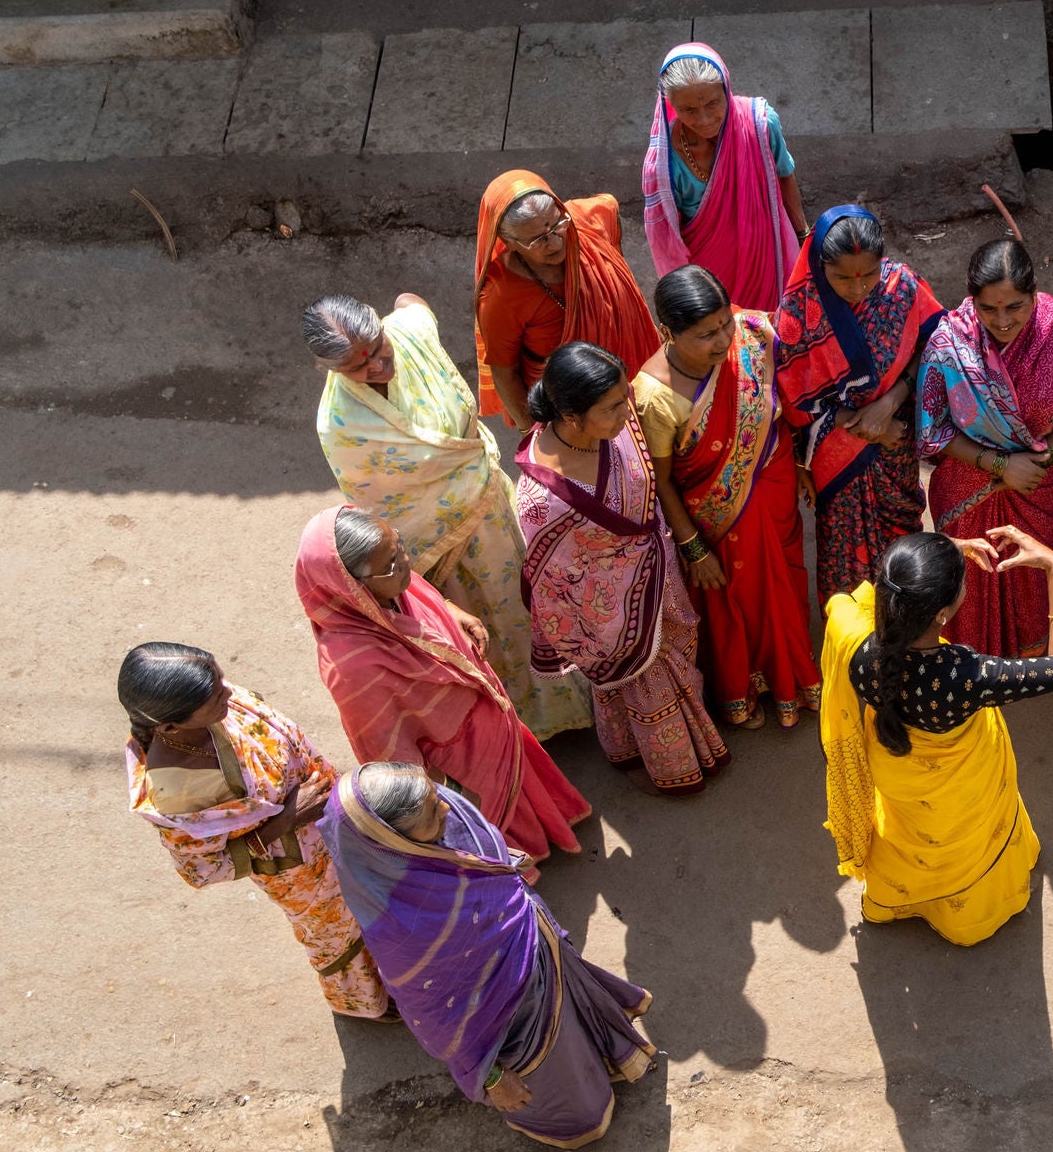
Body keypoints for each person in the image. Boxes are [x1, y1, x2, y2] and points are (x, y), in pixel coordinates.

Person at [320, 762, 654, 1148]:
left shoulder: (446, 819)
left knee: (575, 1033)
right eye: (431, 812)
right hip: (513, 1020)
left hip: (541, 958)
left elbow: (490, 864)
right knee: (566, 1095)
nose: (447, 807)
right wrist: (492, 1076)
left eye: (434, 794)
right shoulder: (404, 929)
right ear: (394, 843)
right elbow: (434, 1015)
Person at [304, 291, 590, 740]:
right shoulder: (341, 424)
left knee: (531, 600)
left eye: (380, 350)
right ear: (330, 369)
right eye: (359, 368)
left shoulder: (408, 333)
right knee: (481, 626)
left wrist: (399, 317)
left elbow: (410, 302)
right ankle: (519, 726)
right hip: (442, 550)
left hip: (492, 508)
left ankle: (570, 699)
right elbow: (378, 502)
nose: (379, 366)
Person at [819, 529, 1053, 946]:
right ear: (943, 612)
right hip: (961, 791)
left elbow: (856, 601)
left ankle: (903, 899)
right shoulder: (967, 675)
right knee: (960, 848)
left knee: (910, 839)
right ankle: (963, 916)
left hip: (897, 777)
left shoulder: (856, 643)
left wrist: (945, 551)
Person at [295, 506, 591, 862]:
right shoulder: (351, 667)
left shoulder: (390, 586)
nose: (405, 561)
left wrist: (453, 610)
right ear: (353, 588)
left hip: (487, 713)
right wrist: (432, 796)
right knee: (489, 818)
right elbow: (386, 749)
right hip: (459, 756)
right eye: (391, 563)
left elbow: (424, 599)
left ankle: (545, 832)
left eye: (399, 545)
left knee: (521, 787)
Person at [120, 643, 391, 1019]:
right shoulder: (179, 789)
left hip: (335, 827)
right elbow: (202, 870)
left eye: (220, 678)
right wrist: (287, 820)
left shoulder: (221, 708)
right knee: (338, 937)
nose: (231, 692)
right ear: (169, 726)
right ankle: (364, 1007)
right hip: (304, 877)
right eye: (215, 695)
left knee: (374, 902)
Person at [516, 342, 729, 795]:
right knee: (641, 683)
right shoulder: (542, 501)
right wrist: (617, 625)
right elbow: (559, 584)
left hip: (659, 577)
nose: (628, 412)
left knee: (678, 661)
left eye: (624, 398)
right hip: (614, 621)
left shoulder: (613, 424)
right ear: (572, 415)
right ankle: (668, 767)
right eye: (614, 407)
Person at [637, 265, 821, 728]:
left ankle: (795, 676)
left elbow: (781, 404)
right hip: (716, 519)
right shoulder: (655, 396)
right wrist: (693, 547)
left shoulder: (753, 332)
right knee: (738, 599)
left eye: (724, 324)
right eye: (705, 334)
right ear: (668, 333)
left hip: (774, 486)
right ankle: (750, 687)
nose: (723, 341)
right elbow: (661, 482)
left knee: (785, 581)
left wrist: (799, 462)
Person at [917, 238, 1053, 656]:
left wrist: (1045, 456)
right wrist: (1001, 464)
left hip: (1039, 482)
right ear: (972, 300)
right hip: (967, 484)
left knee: (1033, 569)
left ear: (1034, 294)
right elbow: (933, 431)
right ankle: (970, 653)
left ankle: (1032, 648)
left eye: (1015, 306)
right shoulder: (950, 345)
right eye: (989, 308)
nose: (1002, 321)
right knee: (973, 570)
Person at [774, 205, 945, 600]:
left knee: (902, 541)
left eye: (868, 274)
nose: (857, 287)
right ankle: (853, 645)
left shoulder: (902, 289)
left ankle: (906, 624)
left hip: (896, 444)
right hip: (837, 451)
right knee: (844, 554)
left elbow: (937, 345)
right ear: (819, 265)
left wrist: (892, 402)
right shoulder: (800, 309)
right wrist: (865, 425)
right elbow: (795, 395)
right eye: (842, 278)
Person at [474, 170, 659, 427]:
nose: (555, 242)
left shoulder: (587, 221)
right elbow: (505, 374)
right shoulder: (500, 296)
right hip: (571, 413)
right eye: (538, 239)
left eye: (557, 224)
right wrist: (532, 434)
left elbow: (609, 211)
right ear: (509, 241)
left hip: (631, 383)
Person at [641, 41, 808, 311]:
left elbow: (785, 175)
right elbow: (667, 239)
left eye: (713, 103)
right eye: (689, 110)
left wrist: (802, 236)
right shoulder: (662, 165)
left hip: (766, 260)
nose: (705, 119)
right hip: (710, 277)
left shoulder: (760, 124)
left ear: (726, 90)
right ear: (669, 106)